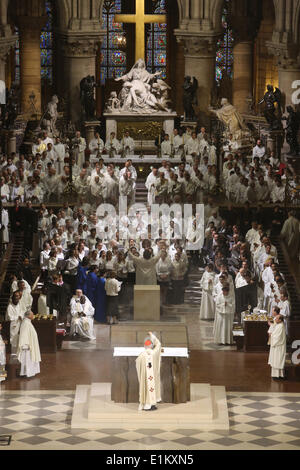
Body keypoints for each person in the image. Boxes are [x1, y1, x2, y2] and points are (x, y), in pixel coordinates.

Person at [136, 332, 162, 411]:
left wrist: (142, 373)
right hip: (152, 377)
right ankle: (150, 405)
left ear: (144, 346)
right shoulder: (154, 353)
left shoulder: (141, 355)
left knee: (146, 388)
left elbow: (137, 363)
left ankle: (147, 405)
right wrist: (152, 336)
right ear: (151, 345)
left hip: (145, 377)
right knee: (152, 388)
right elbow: (159, 344)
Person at [18, 311, 41, 378]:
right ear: (28, 316)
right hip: (27, 347)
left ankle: (30, 373)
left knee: (30, 360)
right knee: (27, 361)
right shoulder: (25, 323)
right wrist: (25, 345)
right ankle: (27, 373)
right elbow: (23, 335)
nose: (33, 315)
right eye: (32, 314)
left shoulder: (27, 322)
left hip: (30, 346)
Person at [268, 314, 286, 380]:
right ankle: (277, 375)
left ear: (280, 320)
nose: (275, 319)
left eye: (277, 318)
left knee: (277, 360)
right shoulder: (279, 325)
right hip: (277, 346)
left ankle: (277, 376)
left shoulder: (280, 326)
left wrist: (271, 335)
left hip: (278, 346)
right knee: (276, 360)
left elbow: (277, 337)